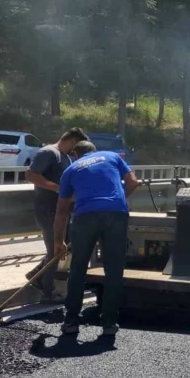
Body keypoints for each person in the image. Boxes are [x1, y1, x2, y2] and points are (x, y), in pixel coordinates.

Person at [53, 141, 139, 336]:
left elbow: (61, 211)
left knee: (78, 268)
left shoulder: (71, 170)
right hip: (116, 214)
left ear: (76, 155)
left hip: (85, 217)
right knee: (114, 269)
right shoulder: (112, 156)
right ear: (94, 151)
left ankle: (72, 321)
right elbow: (133, 182)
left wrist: (58, 241)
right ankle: (109, 323)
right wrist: (117, 200)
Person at [24, 127, 89, 303]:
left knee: (63, 247)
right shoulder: (49, 153)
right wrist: (56, 188)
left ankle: (37, 275)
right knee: (55, 250)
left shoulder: (65, 156)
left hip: (62, 211)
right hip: (48, 209)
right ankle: (48, 293)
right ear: (73, 141)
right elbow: (30, 174)